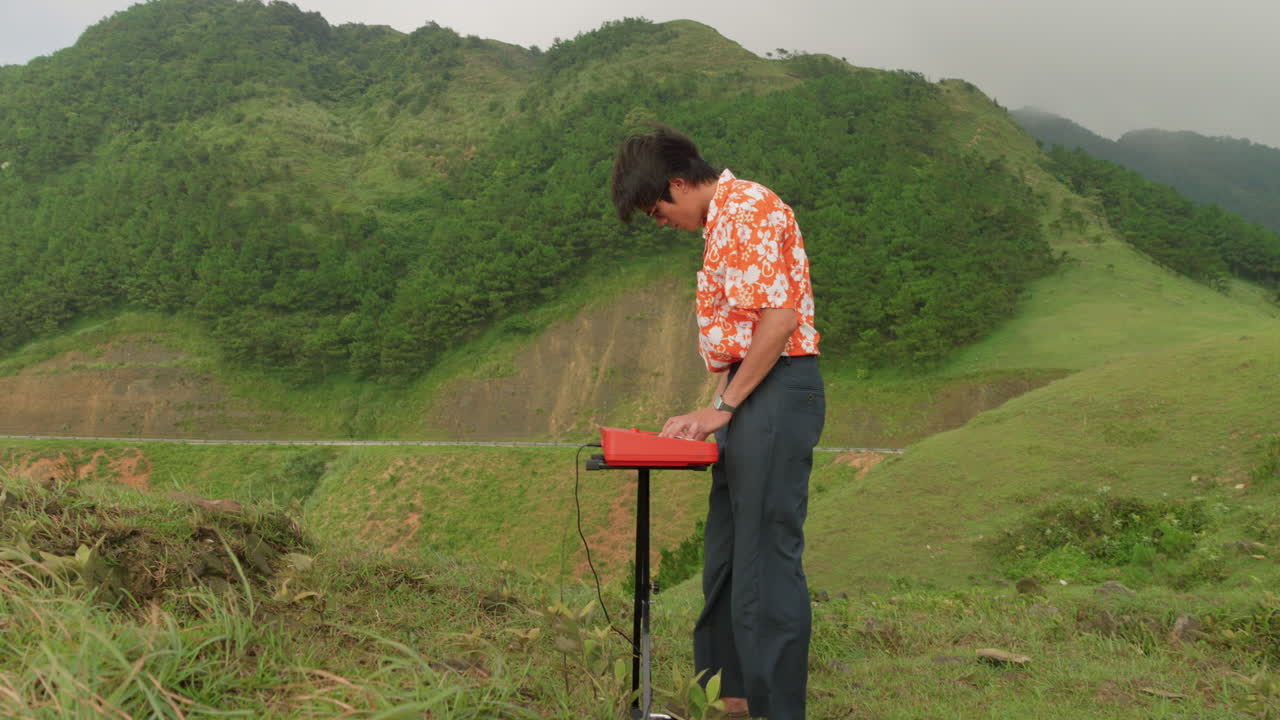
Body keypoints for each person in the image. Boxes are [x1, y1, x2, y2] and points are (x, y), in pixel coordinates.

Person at [611, 125, 825, 720]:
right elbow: (743, 331)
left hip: (778, 392)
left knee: (765, 559)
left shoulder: (747, 206)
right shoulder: (723, 222)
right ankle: (731, 698)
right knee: (728, 558)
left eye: (658, 211)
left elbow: (779, 322)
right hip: (749, 392)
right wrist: (714, 409)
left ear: (679, 184)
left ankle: (775, 708)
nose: (663, 224)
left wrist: (722, 408)